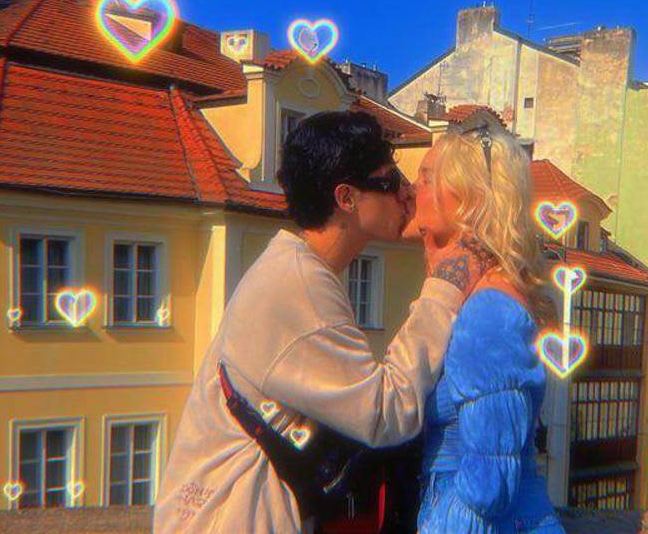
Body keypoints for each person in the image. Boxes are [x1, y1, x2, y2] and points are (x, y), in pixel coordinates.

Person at [153, 110, 489, 534]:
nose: (406, 193)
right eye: (390, 181)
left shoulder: (294, 269)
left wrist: (427, 229)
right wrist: (444, 287)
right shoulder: (297, 289)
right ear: (346, 198)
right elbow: (387, 413)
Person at [409, 124, 566, 534]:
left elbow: (488, 484)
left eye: (426, 177)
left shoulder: (488, 312)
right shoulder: (483, 298)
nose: (413, 189)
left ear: (467, 197)